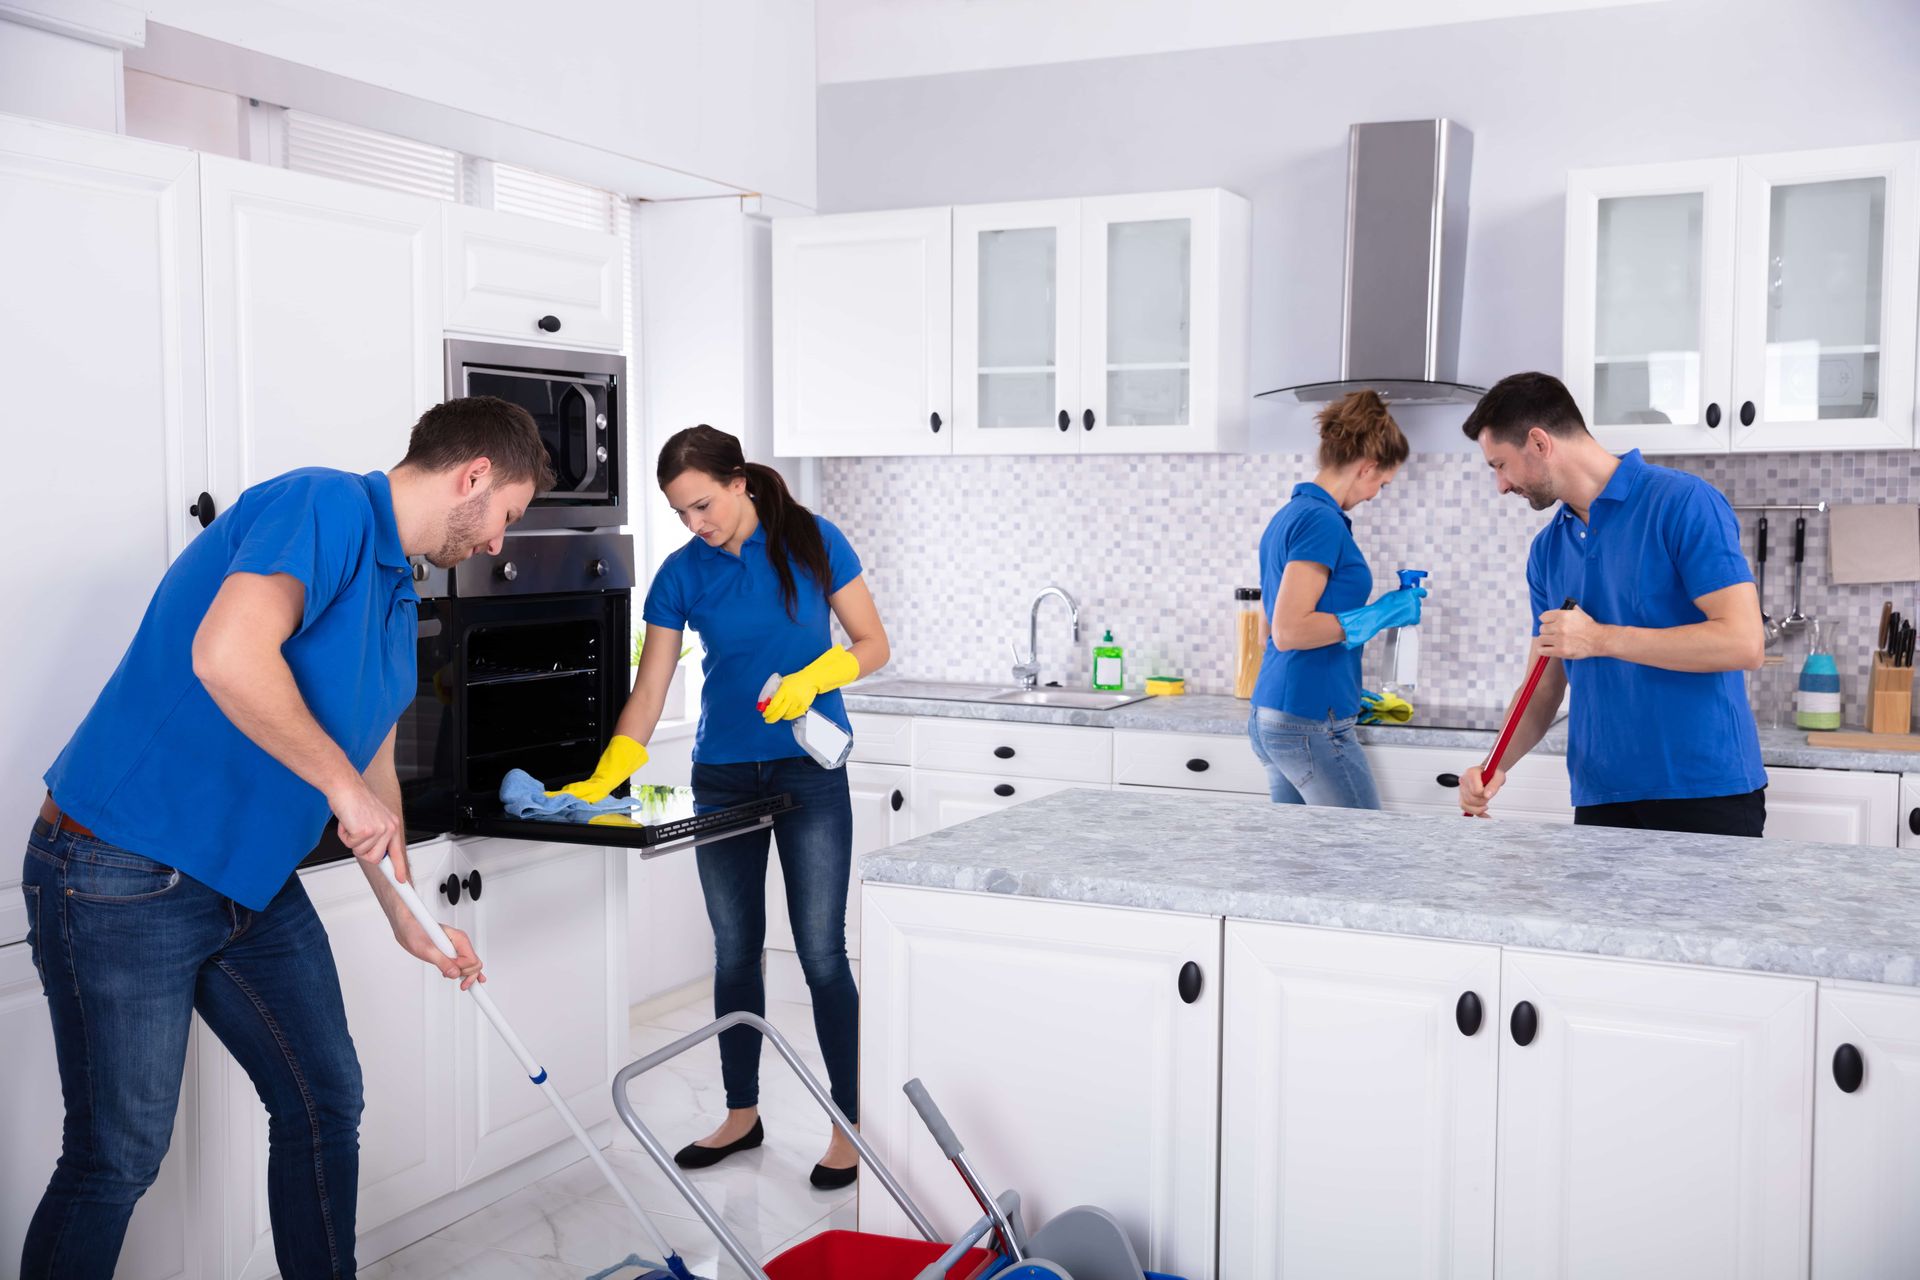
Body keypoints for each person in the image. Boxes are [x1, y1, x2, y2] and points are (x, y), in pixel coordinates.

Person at [21, 396, 550, 1278]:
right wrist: (341, 786)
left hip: (247, 882)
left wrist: (406, 912)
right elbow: (226, 656)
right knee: (118, 1155)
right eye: (507, 519)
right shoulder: (324, 505)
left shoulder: (394, 589)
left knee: (323, 1098)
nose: (498, 543)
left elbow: (371, 770)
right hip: (118, 868)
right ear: (474, 477)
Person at [554, 424, 888, 1189]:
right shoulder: (680, 575)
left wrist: (816, 675)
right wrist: (611, 772)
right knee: (735, 951)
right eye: (680, 512)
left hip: (809, 767)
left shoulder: (812, 541)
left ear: (738, 481)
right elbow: (652, 687)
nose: (695, 523)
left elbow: (873, 642)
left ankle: (852, 1121)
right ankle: (743, 1114)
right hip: (724, 773)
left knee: (821, 953)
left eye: (703, 504)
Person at [1458, 371, 1767, 836]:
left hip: (1704, 792)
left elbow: (1743, 642)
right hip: (1602, 797)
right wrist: (1493, 765)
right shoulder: (1547, 550)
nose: (1501, 485)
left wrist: (1600, 639)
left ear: (1539, 443)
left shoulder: (1683, 504)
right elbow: (1543, 686)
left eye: (1500, 465)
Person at [1249, 389, 1425, 809]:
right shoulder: (1321, 522)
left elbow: (1266, 629)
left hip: (1277, 712)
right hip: (1310, 721)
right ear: (1367, 468)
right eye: (1382, 483)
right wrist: (1377, 615)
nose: (1376, 494)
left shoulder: (1291, 515)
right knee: (1360, 857)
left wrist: (1344, 684)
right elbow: (1289, 631)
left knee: (1299, 865)